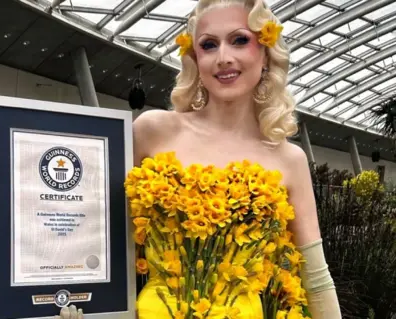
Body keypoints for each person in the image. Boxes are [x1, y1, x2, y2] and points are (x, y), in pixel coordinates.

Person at [129, 0, 342, 318]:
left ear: (266, 52)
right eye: (209, 45)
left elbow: (316, 278)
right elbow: (106, 243)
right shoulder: (151, 131)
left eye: (240, 40)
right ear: (195, 58)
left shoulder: (288, 159)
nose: (223, 58)